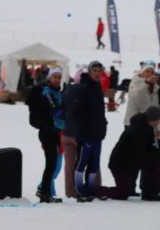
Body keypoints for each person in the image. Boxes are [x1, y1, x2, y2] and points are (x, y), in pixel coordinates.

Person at [98, 106, 160, 201]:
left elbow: (148, 150)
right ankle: (94, 190)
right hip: (121, 164)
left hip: (130, 163)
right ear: (153, 120)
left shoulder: (147, 127)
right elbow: (141, 154)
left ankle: (149, 193)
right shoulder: (139, 130)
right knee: (122, 193)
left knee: (154, 163)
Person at [73, 61, 108, 202]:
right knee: (82, 163)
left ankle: (90, 188)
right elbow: (77, 113)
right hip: (86, 134)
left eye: (100, 70)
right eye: (95, 70)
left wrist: (103, 126)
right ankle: (80, 191)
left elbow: (100, 112)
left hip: (97, 134)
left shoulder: (97, 87)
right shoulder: (83, 87)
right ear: (89, 72)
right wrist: (83, 131)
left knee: (94, 163)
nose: (98, 73)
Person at [29, 66, 65, 203]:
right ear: (49, 78)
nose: (57, 80)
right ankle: (45, 193)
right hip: (48, 131)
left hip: (56, 131)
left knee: (53, 164)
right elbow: (55, 111)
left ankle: (46, 192)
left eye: (59, 77)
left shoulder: (57, 92)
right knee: (51, 164)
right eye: (54, 77)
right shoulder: (46, 92)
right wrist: (66, 112)